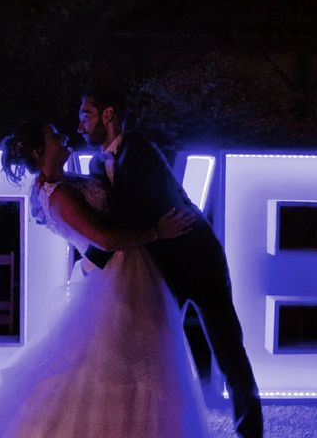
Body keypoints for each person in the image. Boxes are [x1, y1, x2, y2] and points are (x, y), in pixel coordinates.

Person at [0, 120, 210, 437]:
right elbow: (106, 239)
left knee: (139, 357)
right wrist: (157, 232)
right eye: (54, 136)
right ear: (38, 151)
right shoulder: (58, 196)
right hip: (113, 278)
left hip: (127, 271)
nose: (63, 137)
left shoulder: (62, 181)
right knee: (110, 363)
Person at [77, 86, 263, 438]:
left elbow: (126, 212)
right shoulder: (96, 162)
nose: (80, 125)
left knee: (227, 349)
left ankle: (251, 432)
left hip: (198, 258)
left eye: (86, 115)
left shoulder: (141, 151)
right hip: (160, 268)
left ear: (108, 115)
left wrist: (93, 258)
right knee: (154, 346)